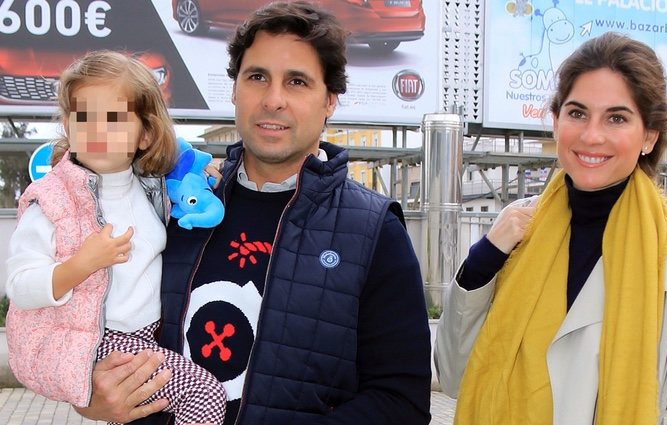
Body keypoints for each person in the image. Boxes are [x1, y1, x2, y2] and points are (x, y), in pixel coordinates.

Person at [75, 2, 432, 424]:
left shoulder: (373, 228)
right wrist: (86, 394)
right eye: (257, 77)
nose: (273, 100)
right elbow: (87, 321)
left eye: (297, 81)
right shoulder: (170, 205)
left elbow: (401, 401)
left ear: (330, 100)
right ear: (235, 89)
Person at [435, 32, 667, 425]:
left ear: (649, 137)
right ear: (556, 122)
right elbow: (457, 378)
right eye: (577, 113)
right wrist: (483, 261)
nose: (591, 135)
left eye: (617, 118)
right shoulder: (519, 228)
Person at [5, 50, 226, 425]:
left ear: (145, 134)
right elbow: (19, 286)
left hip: (148, 337)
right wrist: (81, 265)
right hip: (102, 341)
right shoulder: (53, 199)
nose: (96, 130)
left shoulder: (151, 188)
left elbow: (184, 169)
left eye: (113, 119)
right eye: (84, 117)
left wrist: (204, 174)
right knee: (203, 393)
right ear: (69, 126)